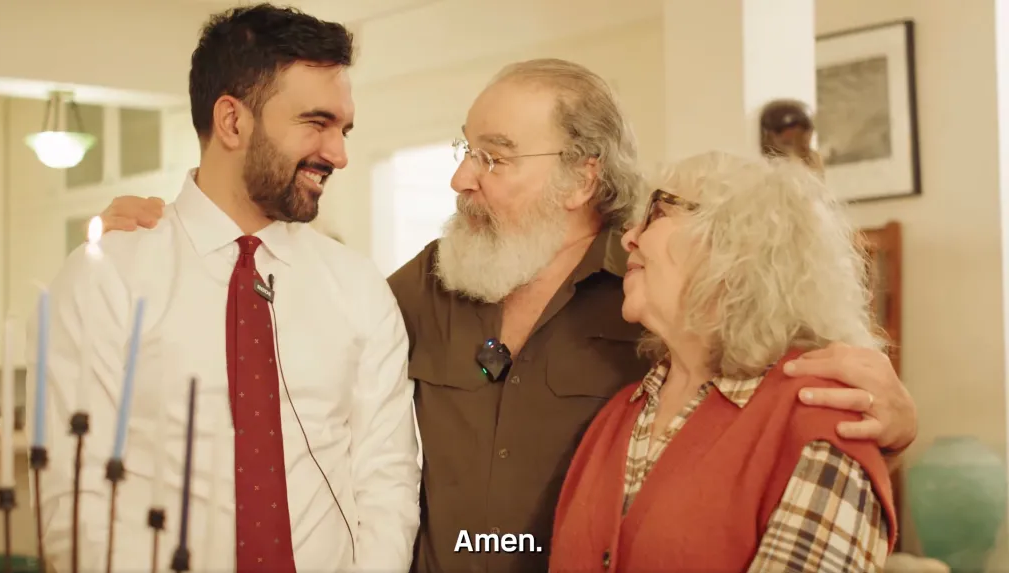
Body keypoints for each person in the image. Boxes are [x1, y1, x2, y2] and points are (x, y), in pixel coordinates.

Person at [98, 58, 918, 573]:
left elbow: (783, 381)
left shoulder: (658, 296)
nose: (462, 179)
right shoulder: (421, 286)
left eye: (493, 156)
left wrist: (899, 417)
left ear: (580, 177)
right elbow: (283, 322)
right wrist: (182, 229)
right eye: (464, 150)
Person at [29, 5, 419, 572]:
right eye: (317, 123)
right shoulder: (108, 274)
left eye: (344, 128)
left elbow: (387, 481)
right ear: (233, 122)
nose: (339, 154)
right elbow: (72, 490)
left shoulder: (359, 287)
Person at [549, 152, 897, 573]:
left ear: (735, 246)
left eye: (656, 212)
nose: (628, 238)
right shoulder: (615, 418)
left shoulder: (821, 420)